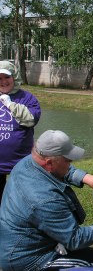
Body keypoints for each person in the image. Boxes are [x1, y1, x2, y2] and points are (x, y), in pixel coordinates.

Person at [0, 130, 93, 271]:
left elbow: (61, 169)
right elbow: (75, 239)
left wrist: (86, 178)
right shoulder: (45, 199)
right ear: (49, 162)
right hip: (27, 260)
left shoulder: (28, 162)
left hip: (17, 246)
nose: (70, 164)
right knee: (91, 266)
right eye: (68, 160)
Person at [0, 61, 41, 205]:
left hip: (20, 162)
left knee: (20, 202)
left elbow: (30, 120)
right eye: (0, 78)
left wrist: (10, 104)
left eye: (7, 77)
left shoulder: (27, 98)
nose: (3, 81)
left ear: (14, 77)